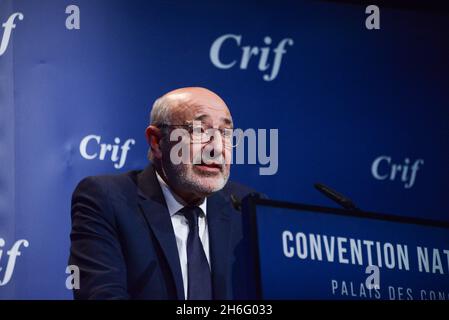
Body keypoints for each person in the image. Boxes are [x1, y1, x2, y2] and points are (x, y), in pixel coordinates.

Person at [69, 87, 255, 300]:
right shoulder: (106, 200)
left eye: (225, 133)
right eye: (199, 130)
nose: (216, 148)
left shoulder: (244, 207)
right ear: (157, 141)